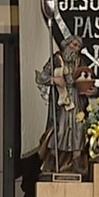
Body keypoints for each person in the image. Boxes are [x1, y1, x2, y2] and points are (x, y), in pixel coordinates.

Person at [36, 35, 90, 176]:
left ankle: (76, 161)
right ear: (66, 44)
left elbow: (87, 79)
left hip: (76, 99)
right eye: (73, 44)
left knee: (78, 128)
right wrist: (54, 79)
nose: (75, 48)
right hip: (61, 100)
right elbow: (42, 77)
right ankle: (54, 160)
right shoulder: (56, 59)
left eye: (77, 46)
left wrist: (86, 86)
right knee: (60, 129)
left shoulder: (80, 61)